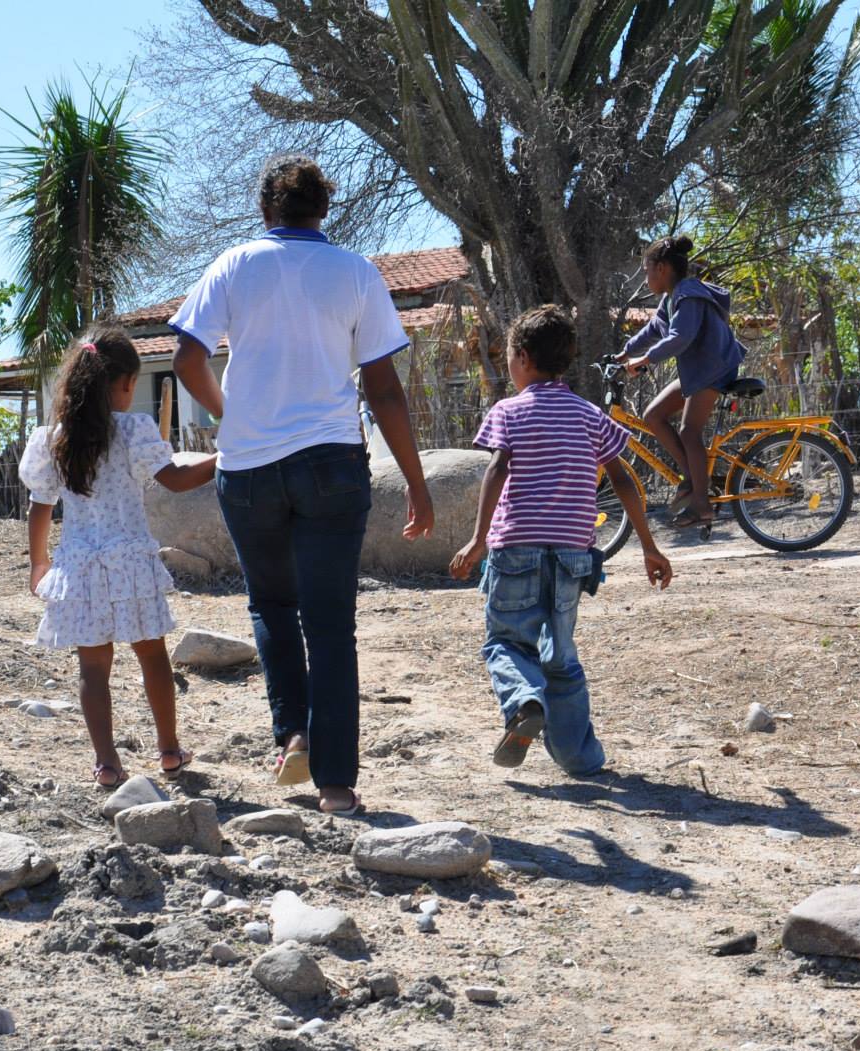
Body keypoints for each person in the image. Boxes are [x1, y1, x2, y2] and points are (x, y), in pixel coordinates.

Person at [170, 155, 433, 816]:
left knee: (271, 606)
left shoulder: (232, 265)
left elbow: (185, 358)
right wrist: (418, 482)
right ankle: (338, 787)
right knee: (330, 622)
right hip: (330, 464)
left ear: (266, 210)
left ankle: (292, 733)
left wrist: (233, 414)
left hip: (249, 466)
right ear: (324, 208)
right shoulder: (355, 271)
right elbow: (384, 389)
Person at [450, 305, 673, 776]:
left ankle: (524, 701)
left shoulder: (507, 412)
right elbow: (624, 479)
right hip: (573, 554)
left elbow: (496, 470)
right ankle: (579, 757)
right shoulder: (591, 415)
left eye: (509, 356)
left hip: (516, 550)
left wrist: (478, 540)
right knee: (560, 655)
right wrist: (649, 546)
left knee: (506, 644)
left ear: (524, 358)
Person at [22, 329, 218, 788]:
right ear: (127, 383)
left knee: (92, 670)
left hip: (80, 568)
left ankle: (107, 763)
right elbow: (175, 479)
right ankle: (169, 751)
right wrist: (222, 459)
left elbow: (40, 505)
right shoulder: (132, 430)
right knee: (153, 658)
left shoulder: (55, 440)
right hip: (131, 564)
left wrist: (38, 563)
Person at [615, 234, 746, 528]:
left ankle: (701, 503)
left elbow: (680, 337)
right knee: (653, 415)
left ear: (661, 268)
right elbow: (653, 329)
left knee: (689, 432)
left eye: (647, 271)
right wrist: (624, 353)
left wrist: (645, 359)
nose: (646, 278)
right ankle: (692, 480)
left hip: (714, 369)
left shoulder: (688, 293)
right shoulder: (671, 297)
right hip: (699, 371)